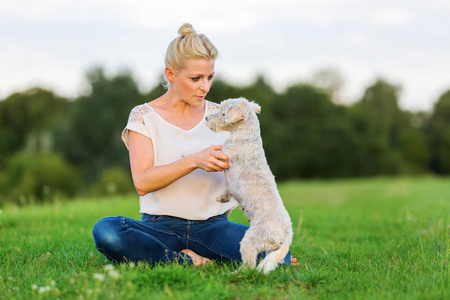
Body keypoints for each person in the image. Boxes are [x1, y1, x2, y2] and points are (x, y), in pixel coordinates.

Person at [92, 23, 297, 267]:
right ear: (170, 75)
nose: (205, 87)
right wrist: (194, 160)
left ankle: (176, 258)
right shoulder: (142, 116)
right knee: (107, 231)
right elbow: (143, 183)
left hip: (213, 227)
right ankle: (190, 261)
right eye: (195, 78)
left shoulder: (220, 116)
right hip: (160, 227)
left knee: (280, 258)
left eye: (210, 77)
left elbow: (249, 171)